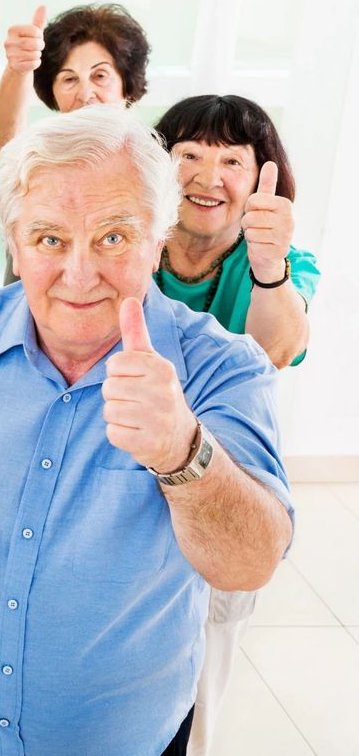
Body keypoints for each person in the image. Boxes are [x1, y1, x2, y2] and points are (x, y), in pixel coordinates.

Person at [0, 106, 293, 756]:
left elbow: (249, 564)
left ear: (158, 239)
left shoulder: (219, 369)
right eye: (49, 239)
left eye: (112, 237)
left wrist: (184, 454)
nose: (79, 274)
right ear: (13, 241)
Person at [152, 94, 319, 756]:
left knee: (199, 682)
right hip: (129, 486)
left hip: (222, 490)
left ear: (258, 179)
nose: (207, 174)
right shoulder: (134, 242)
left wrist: (270, 269)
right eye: (189, 154)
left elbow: (277, 347)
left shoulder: (278, 264)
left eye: (231, 160)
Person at [0, 2, 151, 157]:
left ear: (128, 85)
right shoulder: (42, 161)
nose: (85, 95)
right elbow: (4, 143)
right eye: (69, 79)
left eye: (100, 76)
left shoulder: (151, 159)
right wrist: (20, 69)